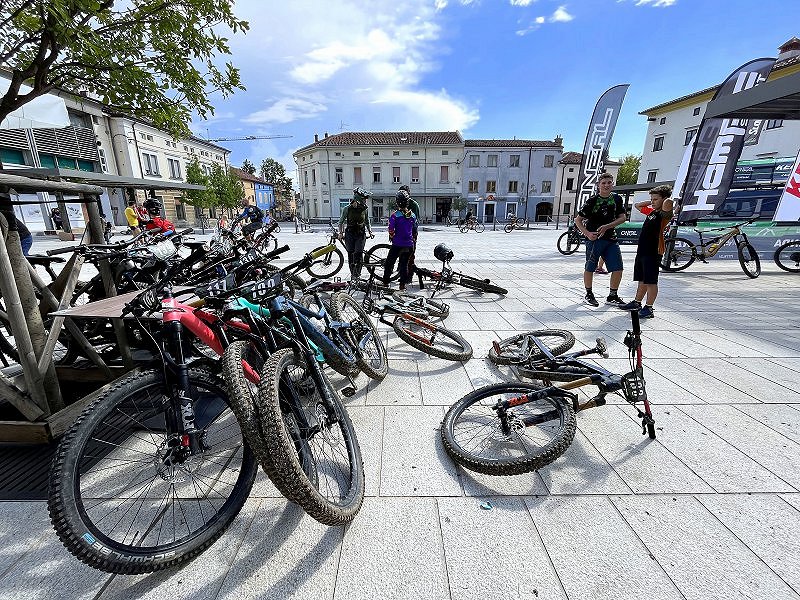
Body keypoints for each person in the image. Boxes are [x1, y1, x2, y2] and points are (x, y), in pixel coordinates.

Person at [620, 185, 674, 319]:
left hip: (653, 251)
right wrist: (653, 201)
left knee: (651, 281)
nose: (653, 201)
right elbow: (637, 205)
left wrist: (665, 198)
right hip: (643, 250)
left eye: (656, 199)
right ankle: (637, 303)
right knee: (642, 279)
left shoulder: (664, 214)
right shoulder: (652, 212)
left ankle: (649, 308)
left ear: (664, 199)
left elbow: (669, 203)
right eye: (652, 199)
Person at [575, 172, 627, 307]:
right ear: (598, 185)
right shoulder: (592, 201)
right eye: (603, 183)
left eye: (609, 182)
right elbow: (578, 220)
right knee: (590, 266)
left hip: (611, 238)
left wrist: (607, 226)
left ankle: (613, 295)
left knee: (618, 268)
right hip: (594, 239)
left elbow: (622, 218)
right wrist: (587, 234)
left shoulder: (617, 199)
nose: (606, 185)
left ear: (613, 184)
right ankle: (589, 293)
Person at [383, 191, 417, 291]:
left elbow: (391, 229)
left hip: (397, 244)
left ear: (397, 203)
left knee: (389, 263)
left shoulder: (395, 216)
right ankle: (402, 286)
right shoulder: (412, 215)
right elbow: (414, 229)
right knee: (404, 264)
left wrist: (392, 236)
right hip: (409, 245)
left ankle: (385, 282)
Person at [339, 187, 374, 279]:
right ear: (358, 199)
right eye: (364, 199)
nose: (365, 201)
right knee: (351, 254)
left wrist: (370, 231)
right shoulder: (347, 209)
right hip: (350, 233)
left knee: (358, 254)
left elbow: (367, 221)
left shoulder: (365, 209)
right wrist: (340, 233)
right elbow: (341, 221)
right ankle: (353, 274)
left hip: (360, 233)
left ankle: (357, 274)